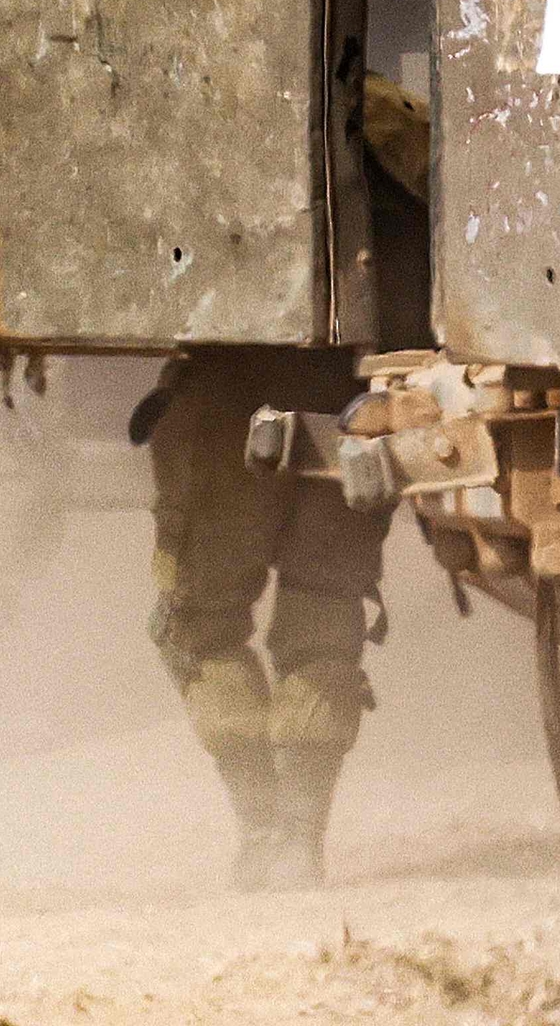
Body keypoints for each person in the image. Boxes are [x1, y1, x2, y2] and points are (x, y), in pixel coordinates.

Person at [137, 73, 430, 891]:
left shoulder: (191, 107)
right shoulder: (390, 114)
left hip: (232, 393)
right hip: (359, 394)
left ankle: (265, 826)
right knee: (322, 612)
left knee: (197, 618)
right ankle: (298, 838)